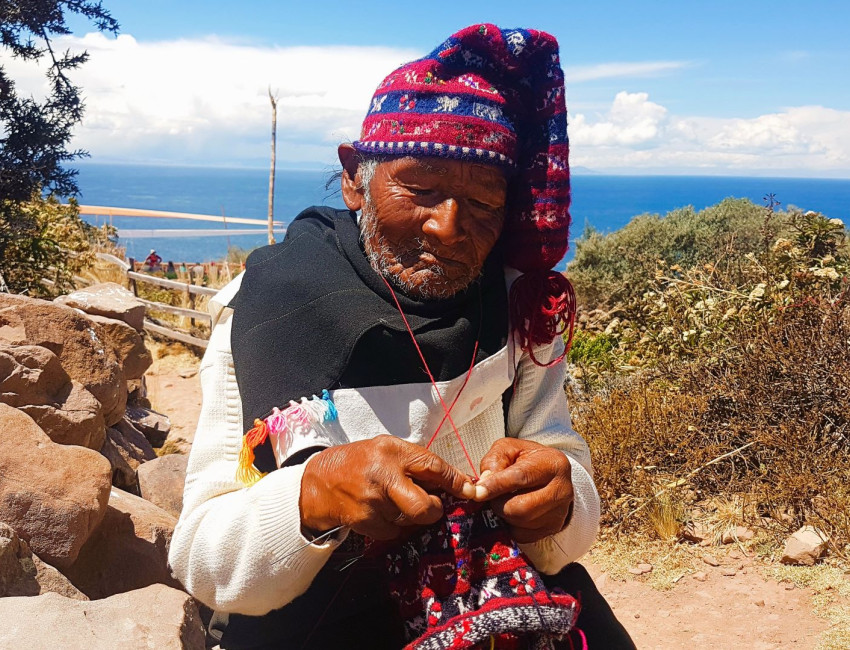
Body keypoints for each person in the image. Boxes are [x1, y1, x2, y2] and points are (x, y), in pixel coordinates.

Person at [169, 24, 634, 649]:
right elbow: (204, 560)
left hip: (493, 605)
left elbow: (564, 512)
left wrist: (561, 499)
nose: (447, 227)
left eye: (484, 203)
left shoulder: (521, 313)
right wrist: (314, 497)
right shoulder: (262, 312)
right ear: (356, 176)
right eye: (419, 189)